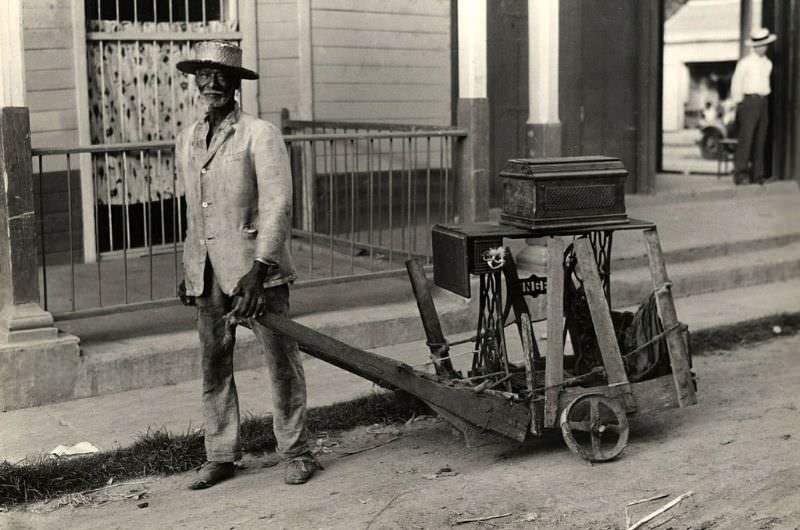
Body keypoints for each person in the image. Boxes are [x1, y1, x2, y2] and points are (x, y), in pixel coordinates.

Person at [175, 41, 320, 489]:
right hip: (208, 274)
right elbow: (194, 210)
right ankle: (220, 455)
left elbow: (278, 204)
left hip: (255, 273)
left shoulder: (260, 133)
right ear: (196, 81)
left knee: (281, 362)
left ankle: (297, 452)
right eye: (205, 74)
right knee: (214, 364)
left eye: (223, 76)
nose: (212, 82)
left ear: (237, 84)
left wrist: (260, 269)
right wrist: (188, 266)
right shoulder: (188, 137)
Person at [730, 28, 776, 185]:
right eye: (761, 45)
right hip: (749, 101)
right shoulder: (745, 63)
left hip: (763, 101)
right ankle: (740, 174)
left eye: (766, 44)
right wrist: (739, 104)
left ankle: (758, 174)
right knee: (746, 138)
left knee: (760, 138)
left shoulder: (768, 63)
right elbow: (736, 83)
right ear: (754, 46)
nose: (764, 48)